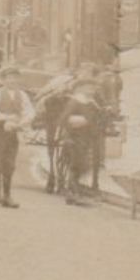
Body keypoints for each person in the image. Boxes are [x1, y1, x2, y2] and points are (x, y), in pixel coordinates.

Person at [0, 67, 35, 209]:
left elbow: (29, 112)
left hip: (13, 133)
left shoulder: (23, 95)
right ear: (4, 80)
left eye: (15, 78)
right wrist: (6, 118)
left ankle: (7, 196)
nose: (12, 80)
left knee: (9, 164)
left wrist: (22, 122)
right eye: (9, 78)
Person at [56, 77, 104, 207]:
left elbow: (97, 119)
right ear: (81, 88)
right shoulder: (75, 102)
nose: (91, 90)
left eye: (93, 87)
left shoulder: (92, 103)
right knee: (77, 164)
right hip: (74, 137)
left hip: (88, 138)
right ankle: (73, 193)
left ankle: (73, 192)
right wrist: (76, 121)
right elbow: (63, 120)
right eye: (88, 87)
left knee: (84, 165)